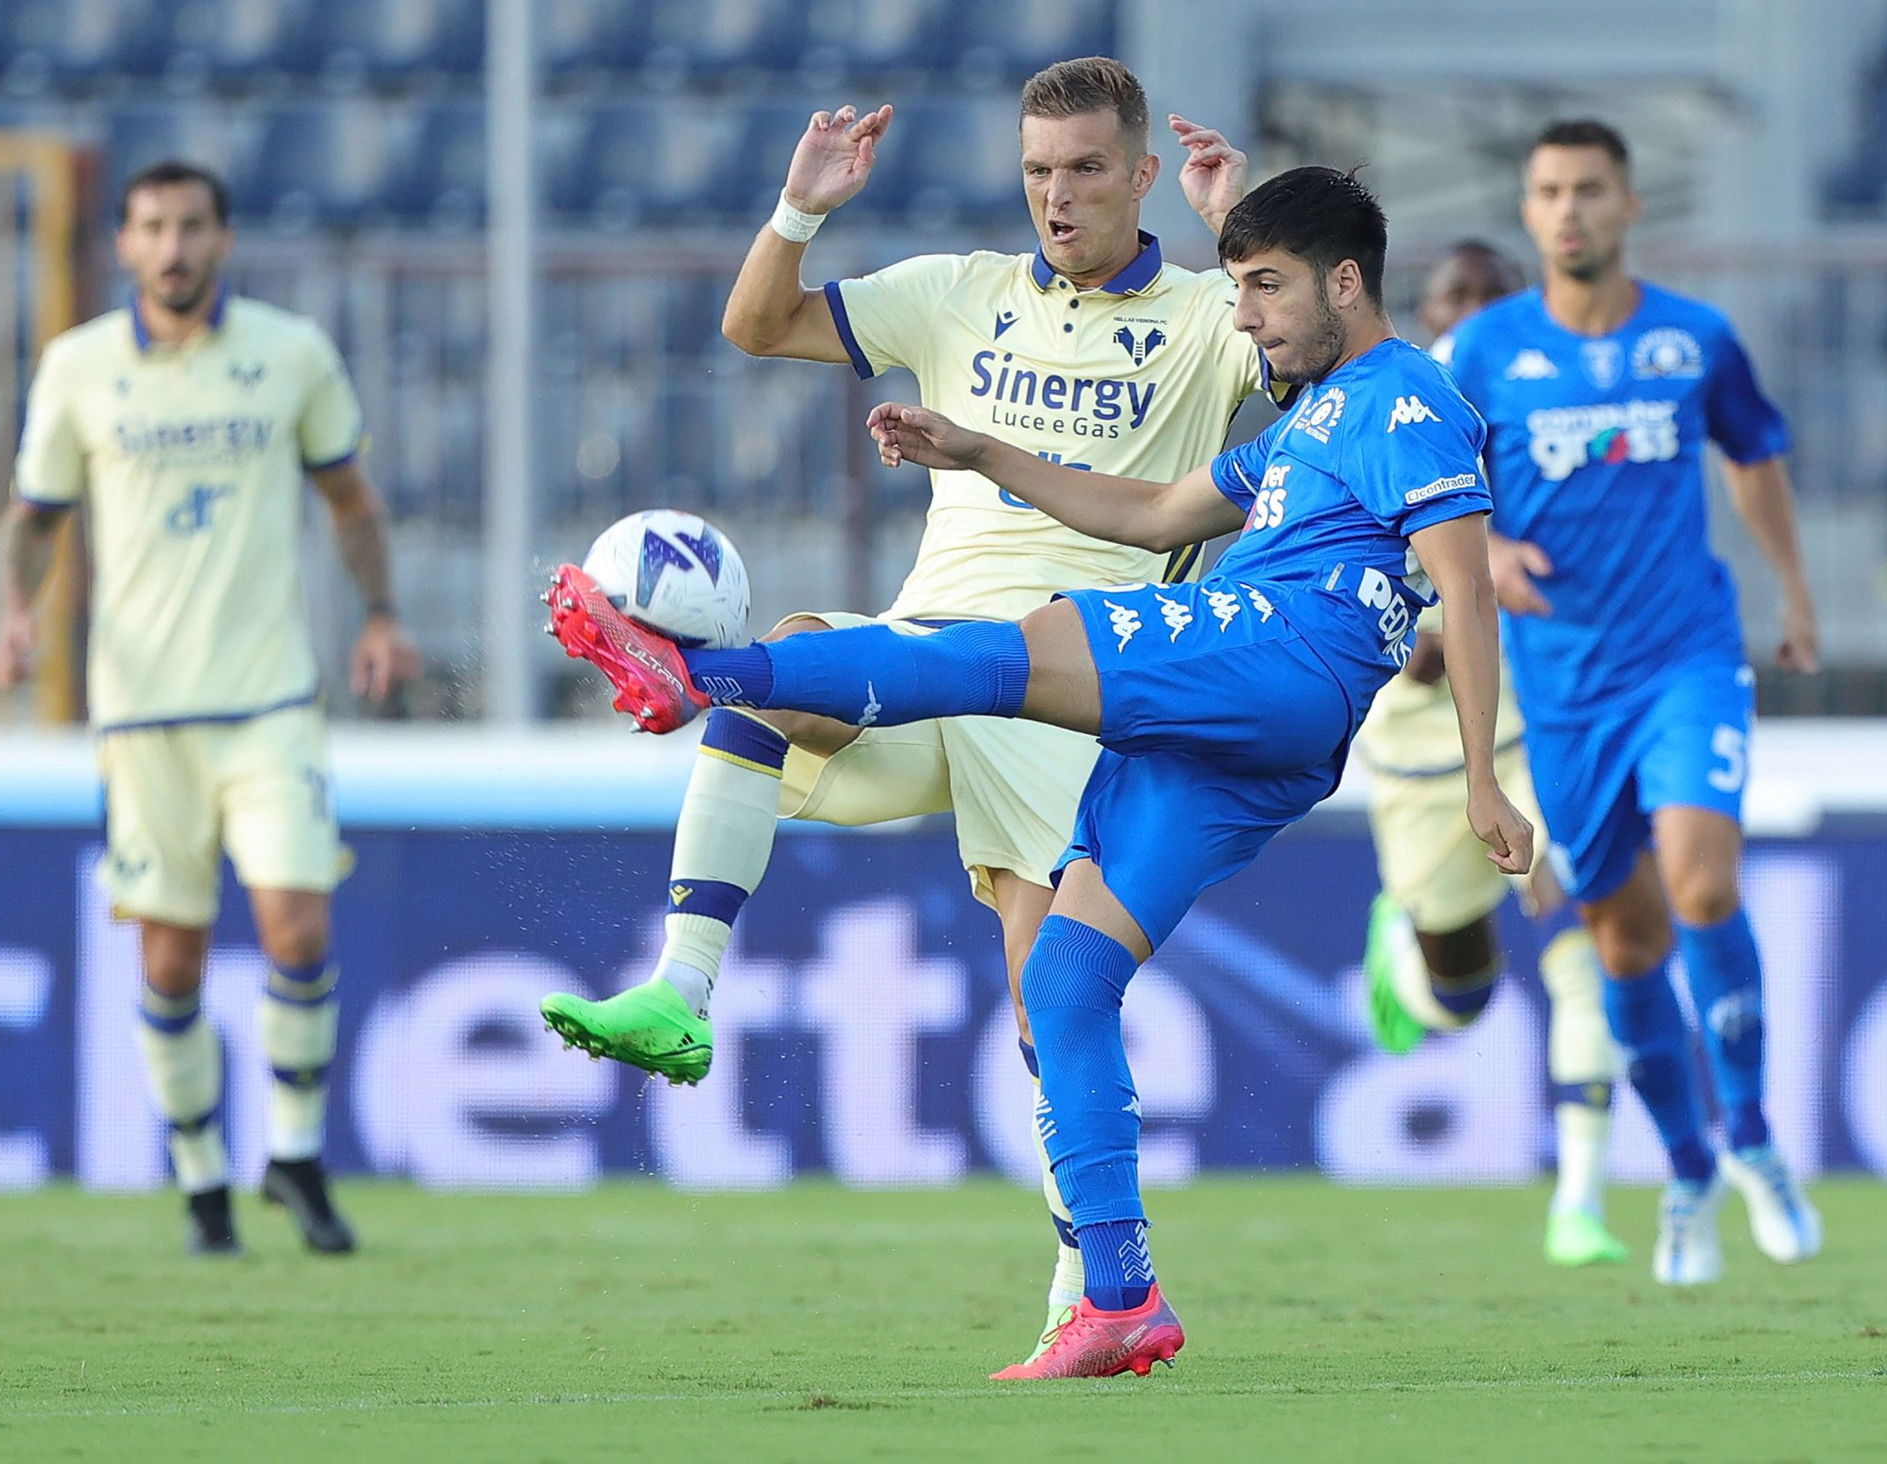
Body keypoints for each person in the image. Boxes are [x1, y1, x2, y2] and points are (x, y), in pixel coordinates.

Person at [547, 165, 1531, 1379]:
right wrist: (976, 450)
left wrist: (1478, 774)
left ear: (1344, 283)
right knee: (1064, 981)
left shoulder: (1409, 398)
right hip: (1253, 739)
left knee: (997, 652)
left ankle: (705, 675)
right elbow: (1157, 512)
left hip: (1274, 653)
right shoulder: (1306, 425)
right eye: (1237, 290)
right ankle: (1119, 1300)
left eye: (1266, 289)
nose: (1246, 319)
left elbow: (1468, 586)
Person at [533, 56, 1278, 1363]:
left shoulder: (1213, 315)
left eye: (1088, 169)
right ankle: (680, 991)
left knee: (1053, 1004)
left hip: (1078, 684)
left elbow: (1355, 377)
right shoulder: (960, 294)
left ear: (1143, 174)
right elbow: (757, 327)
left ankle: (1091, 1283)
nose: (1058, 196)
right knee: (779, 672)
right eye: (1039, 171)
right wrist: (798, 208)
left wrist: (1248, 234)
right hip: (927, 659)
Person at [0, 161, 418, 1255]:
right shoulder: (80, 367)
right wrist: (10, 610)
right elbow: (35, 518)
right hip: (140, 715)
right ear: (125, 246)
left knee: (298, 923)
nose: (173, 247)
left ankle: (297, 1154)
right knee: (171, 963)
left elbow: (350, 500)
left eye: (191, 226)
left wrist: (378, 615)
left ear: (224, 239)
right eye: (152, 229)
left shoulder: (290, 354)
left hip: (271, 699)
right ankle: (200, 1181)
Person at [1443, 118, 1823, 1285]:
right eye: (1549, 190)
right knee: (1626, 943)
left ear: (1628, 205)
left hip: (1685, 659)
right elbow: (1426, 496)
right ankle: (1691, 1171)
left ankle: (1756, 1136)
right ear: (1529, 210)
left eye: (1589, 190)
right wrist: (1491, 547)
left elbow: (1752, 458)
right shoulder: (1479, 354)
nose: (1569, 210)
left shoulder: (1694, 340)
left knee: (1703, 880)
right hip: (1564, 696)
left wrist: (1793, 592)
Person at [1354, 238, 1628, 1269]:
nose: (1465, 315)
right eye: (1448, 297)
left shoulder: (1555, 431)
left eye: (1485, 296)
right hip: (1424, 749)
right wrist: (1455, 612)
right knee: (1460, 997)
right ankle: (1405, 946)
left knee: (1578, 944)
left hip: (1543, 731)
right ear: (1426, 315)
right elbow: (1405, 638)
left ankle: (1580, 1204)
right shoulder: (1386, 422)